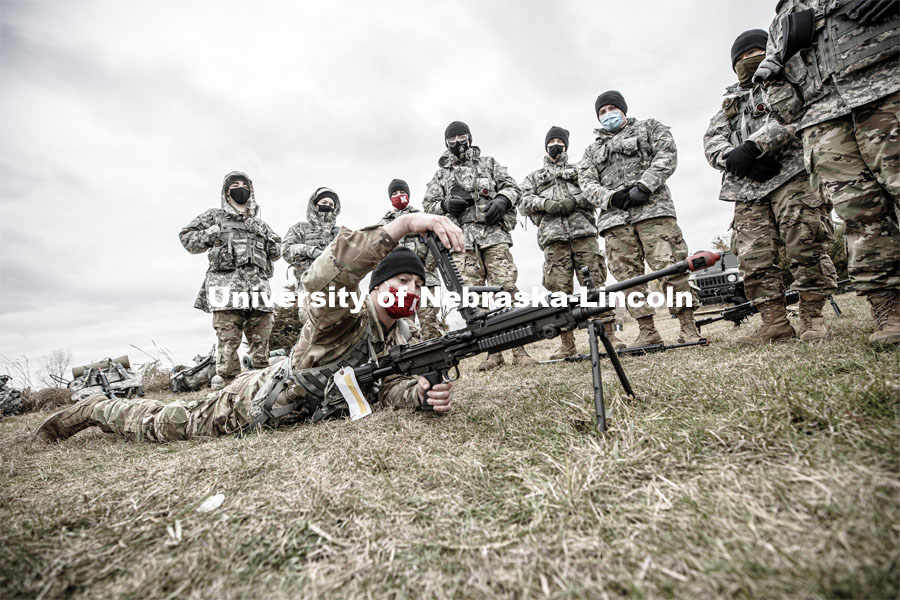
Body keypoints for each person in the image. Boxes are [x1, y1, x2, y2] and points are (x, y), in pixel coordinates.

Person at [34, 214, 462, 443]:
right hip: (253, 402)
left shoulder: (399, 334)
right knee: (158, 424)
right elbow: (318, 280)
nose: (410, 290)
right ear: (376, 285)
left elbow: (381, 388)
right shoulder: (344, 311)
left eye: (418, 285)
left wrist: (420, 393)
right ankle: (91, 409)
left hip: (298, 407)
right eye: (401, 281)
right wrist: (402, 226)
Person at [753, 0, 899, 344]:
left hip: (888, 90)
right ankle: (889, 308)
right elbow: (788, 110)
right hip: (823, 120)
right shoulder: (783, 21)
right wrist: (772, 75)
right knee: (860, 215)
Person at [704, 29, 838, 344]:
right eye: (739, 58)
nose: (746, 61)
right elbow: (712, 143)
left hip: (792, 177)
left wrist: (755, 146)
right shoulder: (728, 105)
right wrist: (735, 158)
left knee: (805, 247)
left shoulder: (788, 81)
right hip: (747, 189)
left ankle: (812, 318)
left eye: (754, 53)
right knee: (753, 259)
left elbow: (797, 113)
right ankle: (774, 323)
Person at [577, 91, 701, 347]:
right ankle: (647, 331)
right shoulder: (591, 150)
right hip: (615, 221)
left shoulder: (649, 128)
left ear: (623, 109)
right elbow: (586, 183)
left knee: (672, 270)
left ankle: (688, 327)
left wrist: (645, 186)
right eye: (602, 111)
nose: (607, 114)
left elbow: (667, 154)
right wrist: (611, 197)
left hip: (654, 212)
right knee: (628, 279)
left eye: (612, 108)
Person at [424, 121, 537, 370]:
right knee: (474, 297)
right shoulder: (440, 175)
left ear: (470, 137)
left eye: (461, 136)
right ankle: (492, 353)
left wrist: (502, 200)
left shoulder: (490, 163)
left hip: (494, 236)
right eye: (451, 138)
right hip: (461, 241)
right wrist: (445, 205)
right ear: (446, 142)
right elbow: (428, 206)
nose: (456, 142)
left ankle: (521, 351)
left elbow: (513, 186)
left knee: (507, 289)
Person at [519, 126, 624, 358]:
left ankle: (609, 335)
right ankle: (567, 344)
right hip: (553, 240)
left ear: (566, 144)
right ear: (546, 145)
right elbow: (523, 201)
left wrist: (574, 201)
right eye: (552, 141)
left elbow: (594, 190)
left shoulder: (580, 169)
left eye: (560, 140)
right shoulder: (534, 177)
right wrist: (545, 204)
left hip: (584, 235)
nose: (556, 144)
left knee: (595, 285)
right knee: (559, 292)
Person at [179, 171, 281, 391]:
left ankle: (260, 390)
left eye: (244, 185)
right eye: (235, 185)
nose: (240, 188)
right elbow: (186, 239)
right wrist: (210, 234)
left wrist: (265, 238)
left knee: (261, 344)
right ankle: (229, 393)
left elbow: (277, 250)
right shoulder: (214, 217)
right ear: (227, 192)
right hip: (226, 290)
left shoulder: (259, 224)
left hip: (258, 291)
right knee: (228, 344)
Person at [378, 178, 445, 340]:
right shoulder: (384, 224)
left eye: (402, 192)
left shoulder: (421, 217)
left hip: (426, 280)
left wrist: (426, 269)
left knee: (430, 322)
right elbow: (379, 253)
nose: (398, 195)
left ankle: (437, 359)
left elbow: (435, 246)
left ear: (408, 195)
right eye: (394, 193)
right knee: (405, 326)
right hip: (399, 284)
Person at [281, 187, 342, 326]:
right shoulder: (300, 229)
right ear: (315, 205)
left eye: (331, 205)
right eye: (324, 202)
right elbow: (285, 250)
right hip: (309, 289)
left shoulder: (339, 233)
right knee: (311, 330)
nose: (327, 206)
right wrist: (310, 251)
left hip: (336, 291)